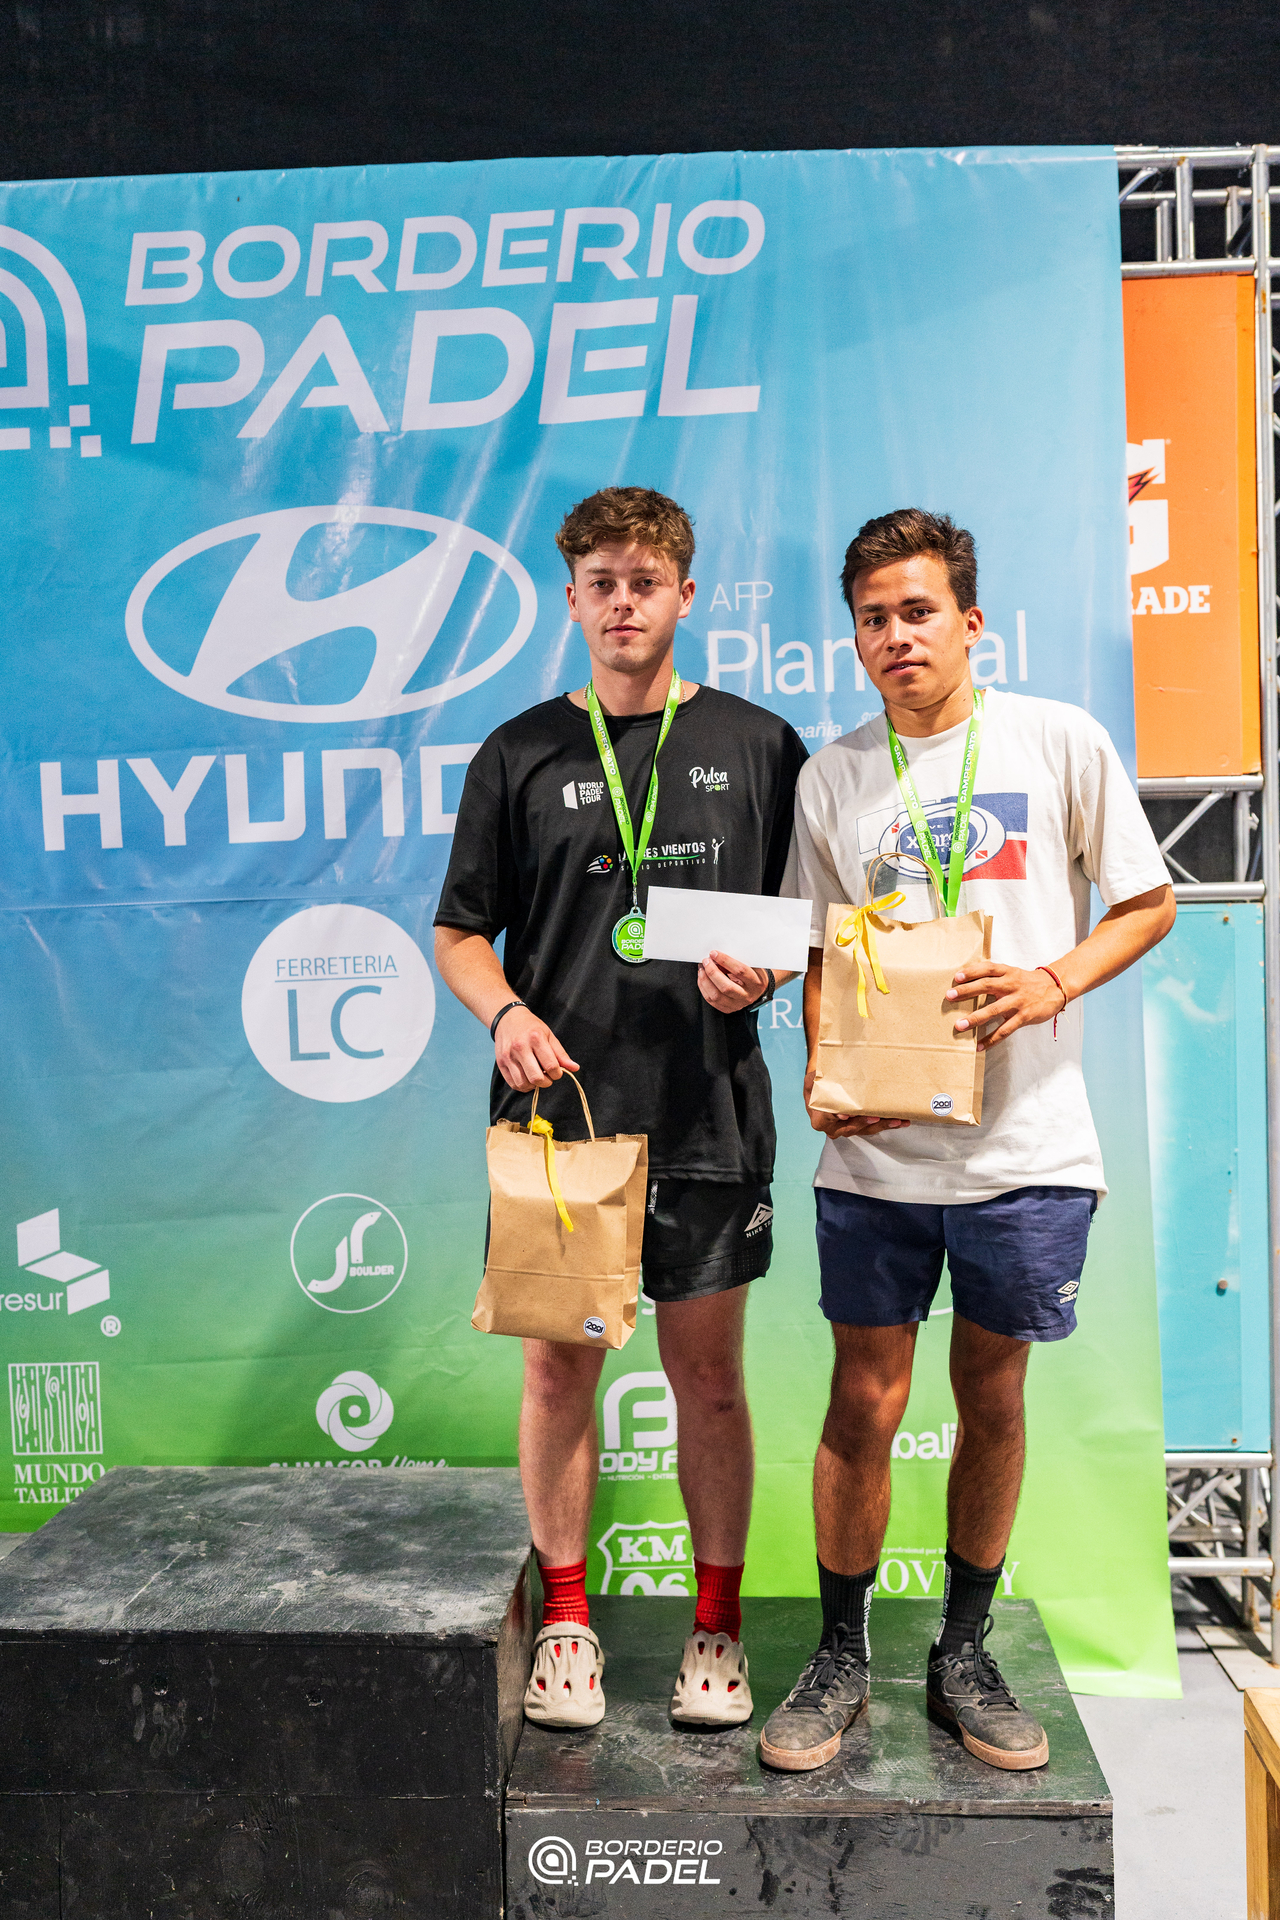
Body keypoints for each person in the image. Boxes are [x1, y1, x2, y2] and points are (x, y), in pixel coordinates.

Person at [760, 507, 1174, 1774]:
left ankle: (963, 1652)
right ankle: (840, 1655)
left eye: (917, 611)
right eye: (871, 620)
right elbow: (816, 955)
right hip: (875, 1159)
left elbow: (1146, 902)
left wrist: (1049, 982)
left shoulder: (1057, 739)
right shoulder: (832, 776)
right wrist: (827, 1074)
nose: (895, 636)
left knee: (990, 1398)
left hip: (1024, 1151)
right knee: (861, 1402)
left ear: (969, 621)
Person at [434, 486, 807, 1732]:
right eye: (600, 583)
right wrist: (503, 1013)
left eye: (644, 582)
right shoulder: (519, 751)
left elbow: (802, 924)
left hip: (707, 1114)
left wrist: (764, 974)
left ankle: (715, 1631)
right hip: (561, 1123)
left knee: (709, 1381)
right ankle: (567, 1625)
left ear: (685, 596)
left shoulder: (759, 743)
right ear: (572, 599)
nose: (622, 603)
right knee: (556, 1378)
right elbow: (458, 932)